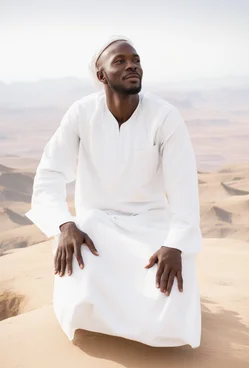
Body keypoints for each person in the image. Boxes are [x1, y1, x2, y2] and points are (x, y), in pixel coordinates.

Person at [26, 36, 202, 348]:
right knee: (79, 291)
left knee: (172, 303)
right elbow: (50, 172)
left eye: (135, 59)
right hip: (96, 227)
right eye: (119, 61)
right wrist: (64, 225)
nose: (132, 64)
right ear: (101, 76)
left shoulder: (165, 116)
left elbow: (185, 190)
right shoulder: (81, 113)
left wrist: (175, 245)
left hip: (152, 225)